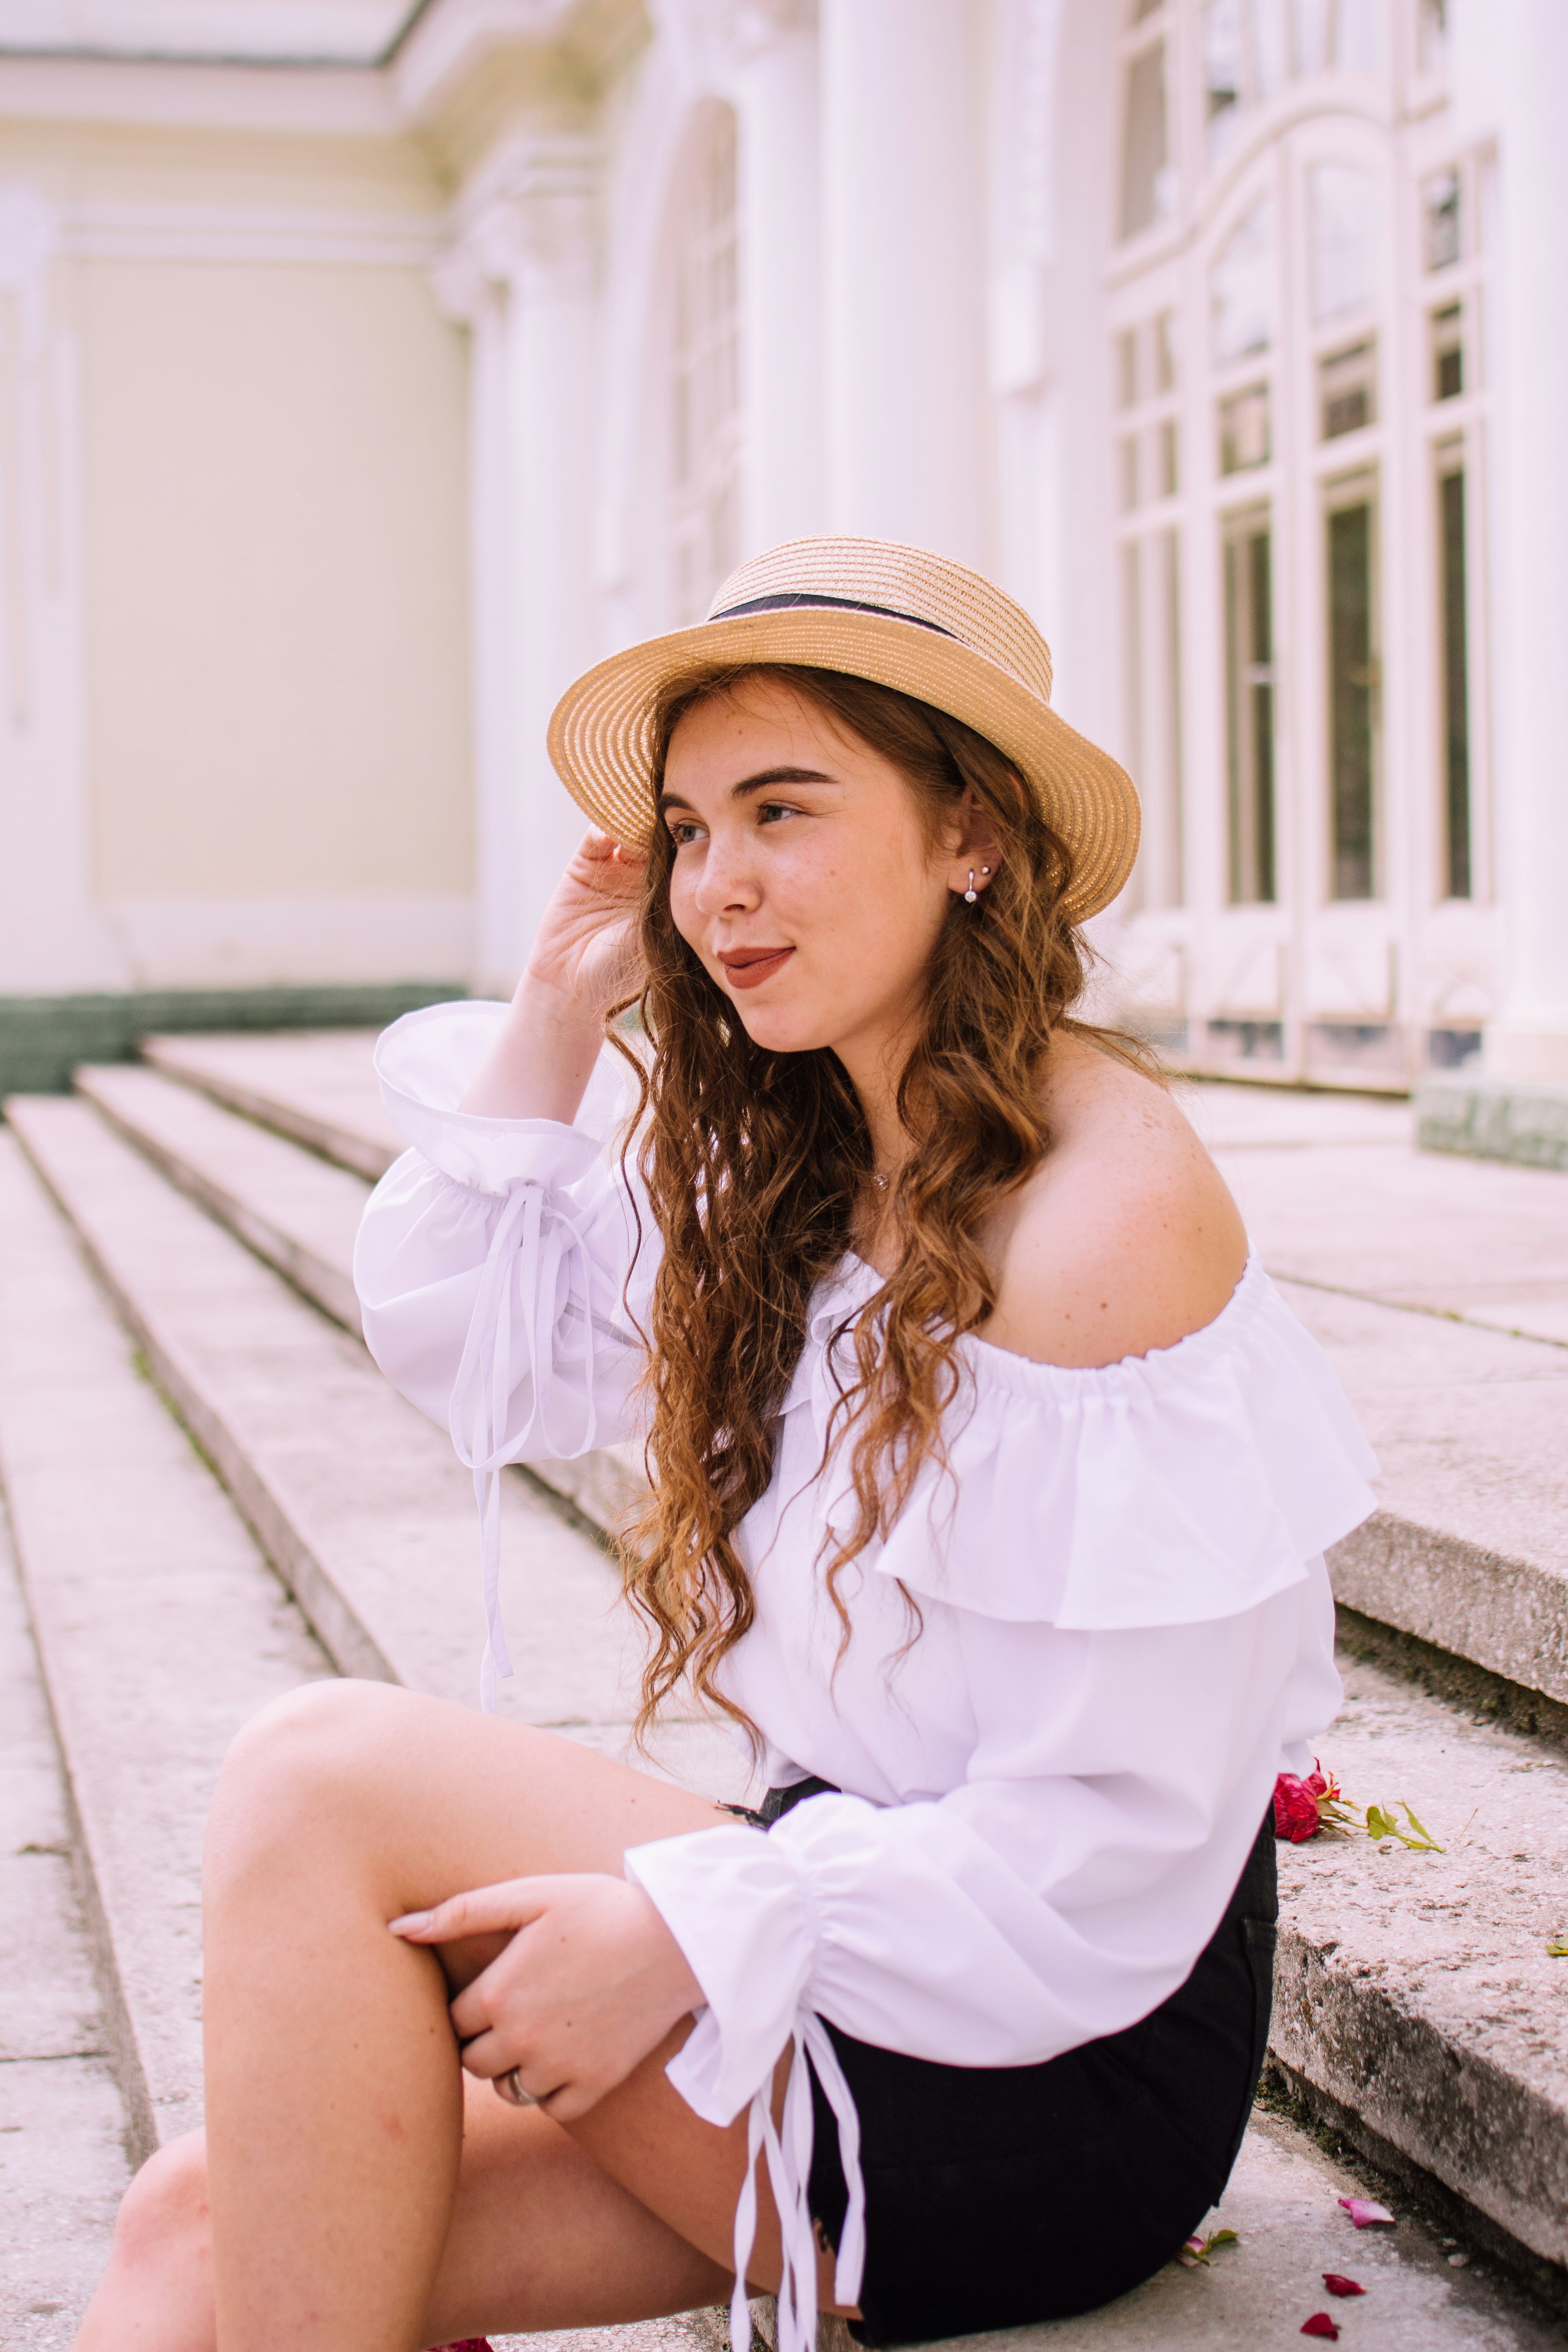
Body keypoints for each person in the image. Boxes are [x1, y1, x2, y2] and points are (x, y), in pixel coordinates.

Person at [73, 538, 1377, 2352]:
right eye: (688, 829)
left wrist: (699, 1922)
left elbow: (1113, 1840)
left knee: (319, 1780)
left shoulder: (1103, 1223)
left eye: (784, 809)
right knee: (191, 2227)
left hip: (1046, 2064)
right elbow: (465, 1346)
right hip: (860, 1934)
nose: (720, 887)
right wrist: (554, 1008)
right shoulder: (801, 1163)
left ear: (970, 834)